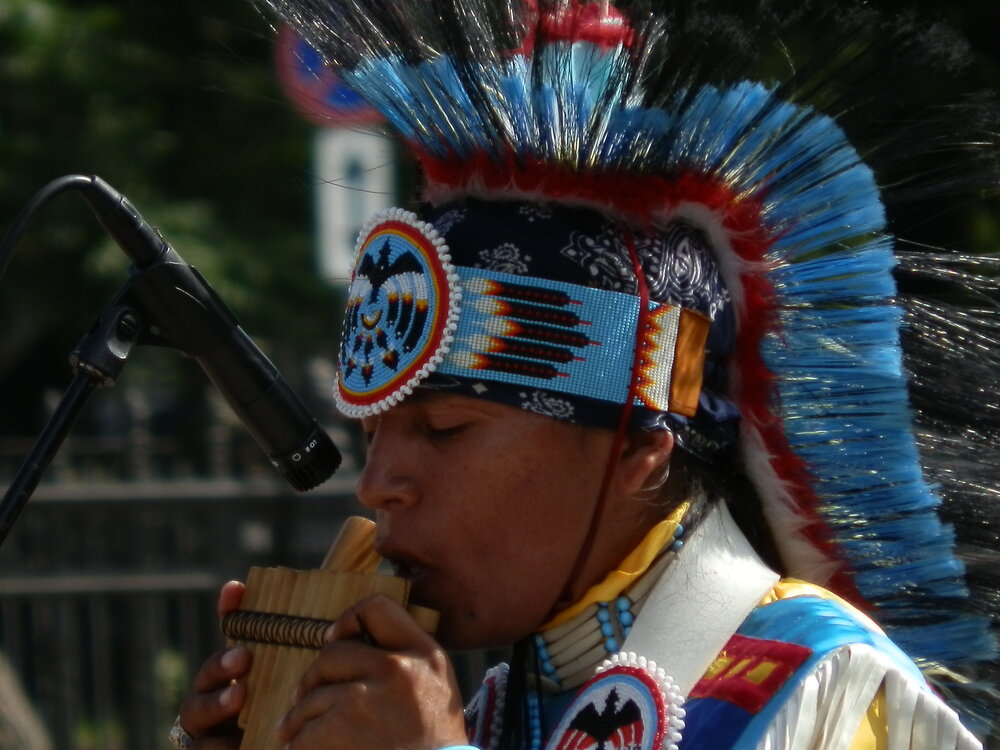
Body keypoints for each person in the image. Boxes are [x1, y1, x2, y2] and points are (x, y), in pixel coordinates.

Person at [170, 1, 1000, 748]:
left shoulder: (815, 689)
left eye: (446, 428)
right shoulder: (501, 707)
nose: (379, 486)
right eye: (374, 434)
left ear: (640, 439)